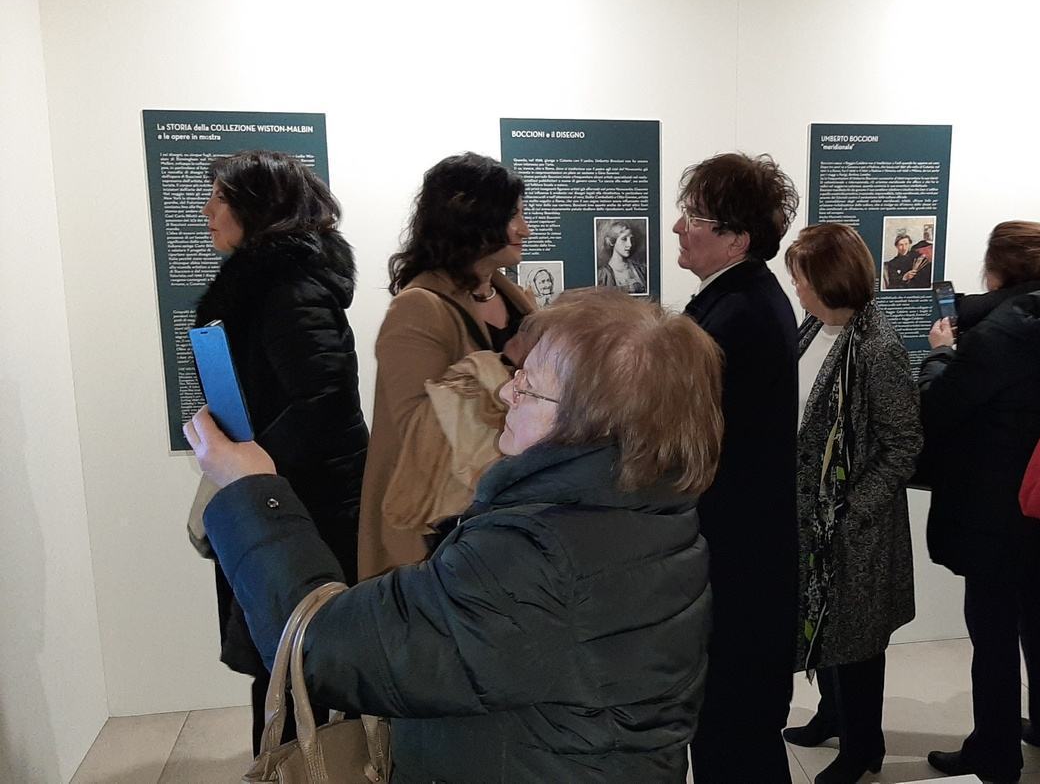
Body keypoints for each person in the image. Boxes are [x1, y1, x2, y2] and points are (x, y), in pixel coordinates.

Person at [185, 290, 721, 782]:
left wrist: (251, 490)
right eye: (518, 374)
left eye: (529, 388)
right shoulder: (652, 511)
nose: (507, 391)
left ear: (593, 425)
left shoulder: (534, 556)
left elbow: (320, 647)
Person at [193, 149, 368, 754]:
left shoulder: (288, 288)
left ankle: (301, 767)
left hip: (300, 507)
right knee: (284, 665)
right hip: (283, 498)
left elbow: (320, 402)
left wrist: (248, 470)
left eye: (219, 197)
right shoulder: (272, 285)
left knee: (291, 663)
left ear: (256, 206)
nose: (207, 210)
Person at [918, 221, 1040, 782]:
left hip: (991, 505)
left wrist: (941, 355)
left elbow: (939, 408)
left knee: (992, 629)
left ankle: (994, 752)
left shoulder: (996, 335)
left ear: (999, 272)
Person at [781, 223, 921, 784]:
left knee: (857, 640)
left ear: (828, 281)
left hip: (855, 527)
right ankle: (831, 714)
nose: (795, 287)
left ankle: (863, 746)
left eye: (801, 277)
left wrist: (850, 512)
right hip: (811, 516)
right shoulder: (815, 326)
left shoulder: (877, 347)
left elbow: (903, 444)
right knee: (825, 624)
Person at [676, 152, 799, 783]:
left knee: (734, 731)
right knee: (733, 727)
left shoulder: (739, 312)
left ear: (737, 239)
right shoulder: (735, 300)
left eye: (693, 217)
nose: (678, 227)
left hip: (738, 556)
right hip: (743, 549)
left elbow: (684, 430)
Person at [358, 153, 536, 578]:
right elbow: (418, 433)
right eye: (512, 215)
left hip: (496, 519)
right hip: (433, 536)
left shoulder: (512, 297)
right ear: (473, 218)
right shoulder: (418, 309)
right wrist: (508, 363)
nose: (524, 229)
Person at [597, 219, 648, 293]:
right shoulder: (602, 275)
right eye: (624, 239)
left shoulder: (642, 270)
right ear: (611, 241)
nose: (629, 244)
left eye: (631, 239)